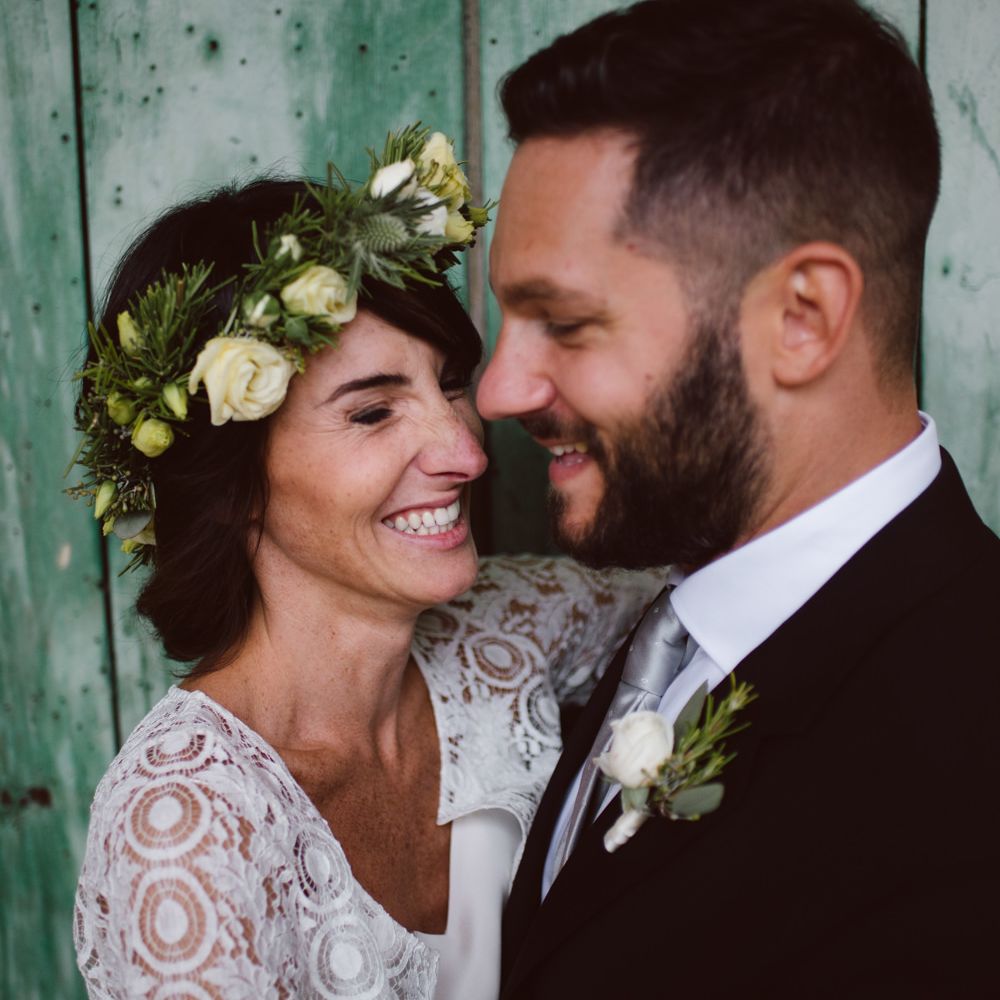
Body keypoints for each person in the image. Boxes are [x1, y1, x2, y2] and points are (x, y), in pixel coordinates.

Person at [476, 1, 1000, 996]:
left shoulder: (970, 769)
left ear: (801, 318)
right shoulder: (667, 611)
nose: (497, 391)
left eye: (567, 323)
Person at [70, 131, 661, 999]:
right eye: (374, 412)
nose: (466, 451)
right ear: (236, 488)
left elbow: (724, 608)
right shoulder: (187, 832)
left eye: (451, 382)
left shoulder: (507, 623)